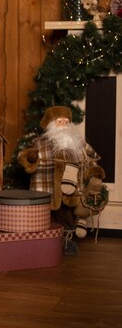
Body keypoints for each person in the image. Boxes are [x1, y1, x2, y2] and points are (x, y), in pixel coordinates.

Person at [18, 106, 107, 253]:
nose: (64, 125)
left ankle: (66, 241)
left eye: (67, 122)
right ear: (50, 124)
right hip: (47, 190)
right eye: (60, 121)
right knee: (47, 218)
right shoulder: (40, 143)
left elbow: (93, 158)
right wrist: (30, 158)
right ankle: (46, 242)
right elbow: (25, 159)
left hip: (70, 193)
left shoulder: (79, 144)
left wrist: (93, 171)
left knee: (67, 216)